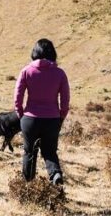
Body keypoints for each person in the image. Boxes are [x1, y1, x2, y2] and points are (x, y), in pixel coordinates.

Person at [13, 38, 70, 185]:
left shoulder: (26, 71)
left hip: (30, 119)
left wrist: (21, 114)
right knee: (50, 152)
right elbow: (65, 99)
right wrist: (61, 116)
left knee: (29, 153)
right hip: (52, 119)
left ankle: (28, 186)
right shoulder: (60, 73)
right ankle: (55, 174)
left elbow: (18, 96)